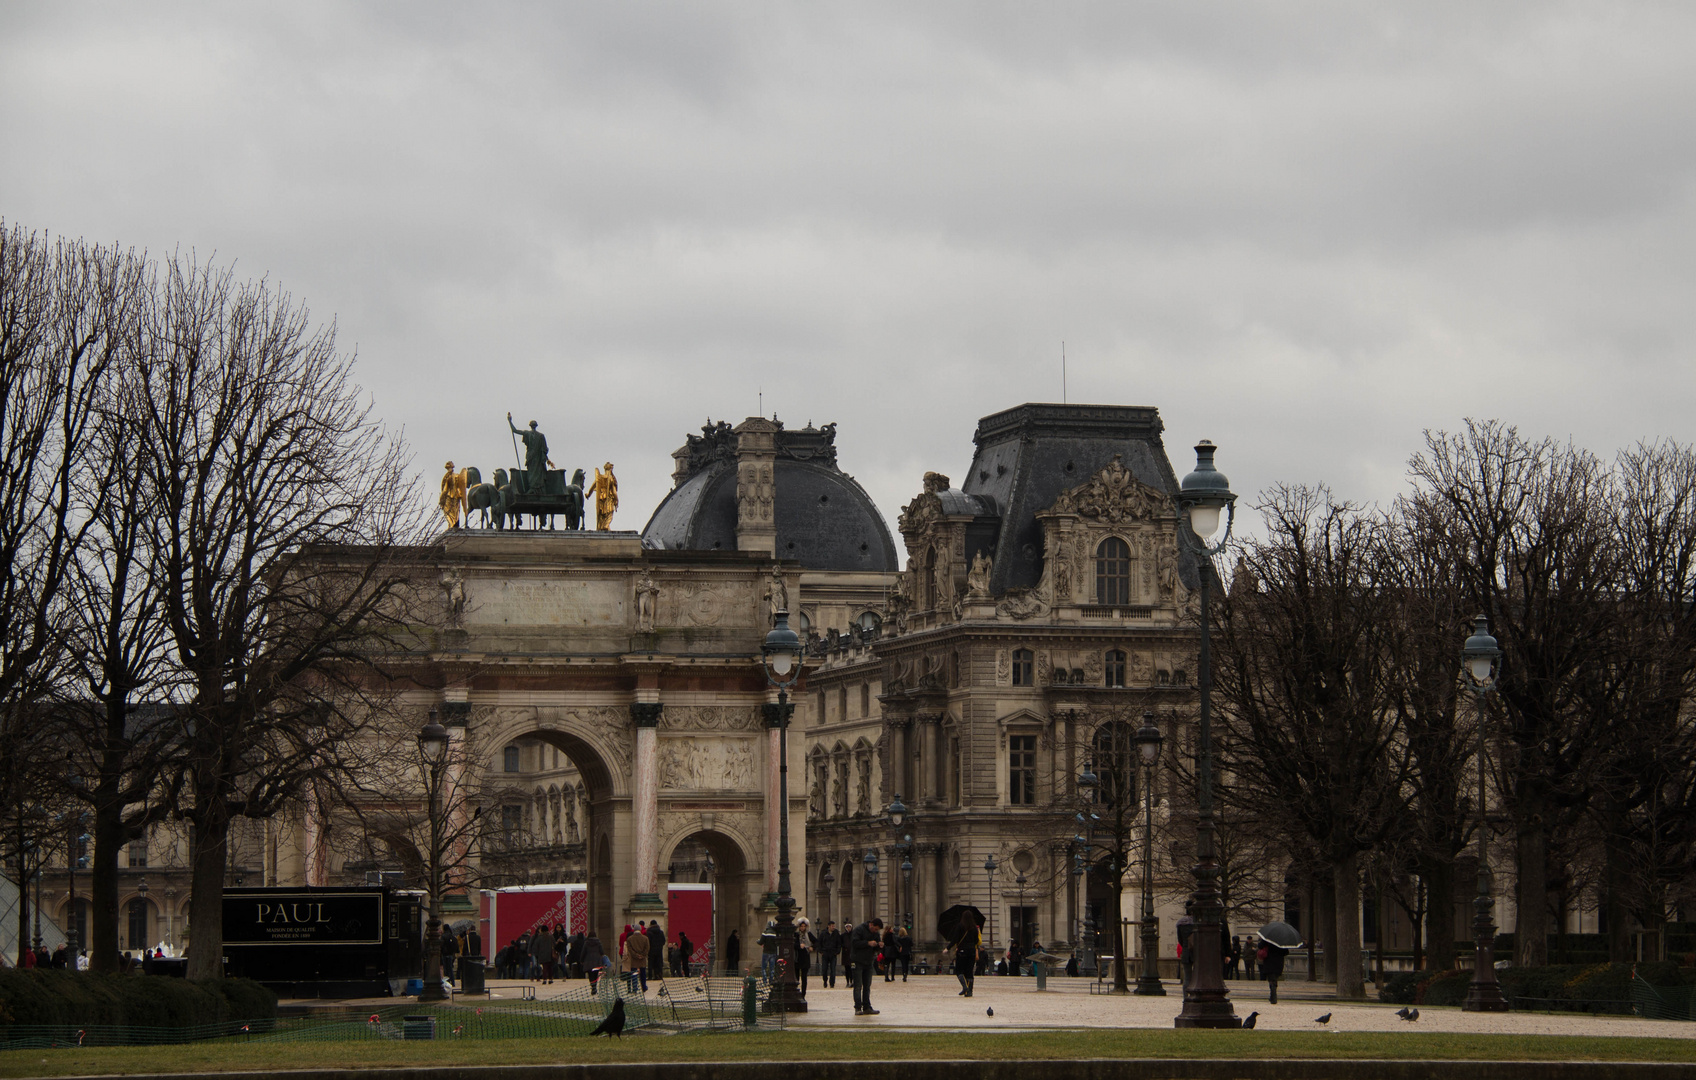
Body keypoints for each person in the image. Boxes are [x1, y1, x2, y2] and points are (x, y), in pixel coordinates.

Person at [848, 918, 883, 1015]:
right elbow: (854, 943)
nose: (876, 931)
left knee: (867, 986)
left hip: (868, 961)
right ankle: (858, 1008)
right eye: (875, 929)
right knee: (858, 985)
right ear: (871, 924)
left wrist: (879, 945)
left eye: (877, 930)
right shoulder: (859, 929)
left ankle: (867, 1007)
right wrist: (867, 943)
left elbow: (875, 946)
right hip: (857, 960)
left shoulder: (875, 934)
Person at [952, 920, 980, 997]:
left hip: (962, 952)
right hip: (971, 952)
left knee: (959, 971)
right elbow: (977, 941)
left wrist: (948, 948)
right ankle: (969, 992)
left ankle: (965, 987)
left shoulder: (960, 926)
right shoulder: (975, 928)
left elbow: (955, 939)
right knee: (969, 972)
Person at [625, 920, 650, 993]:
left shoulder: (630, 939)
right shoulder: (645, 938)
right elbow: (647, 948)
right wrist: (642, 955)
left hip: (634, 959)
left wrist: (636, 955)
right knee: (643, 974)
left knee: (634, 974)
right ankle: (644, 987)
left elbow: (629, 949)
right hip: (642, 959)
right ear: (640, 929)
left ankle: (635, 988)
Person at [1261, 940, 1289, 1004]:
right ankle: (1272, 996)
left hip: (1269, 962)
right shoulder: (1281, 940)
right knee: (1274, 979)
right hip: (1278, 963)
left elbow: (1260, 946)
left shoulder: (1267, 940)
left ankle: (1273, 997)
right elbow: (1286, 952)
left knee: (1271, 980)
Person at [818, 920, 842, 988]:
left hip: (833, 953)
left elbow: (839, 943)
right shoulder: (823, 933)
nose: (833, 927)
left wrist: (837, 952)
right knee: (824, 969)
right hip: (825, 953)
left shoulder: (836, 933)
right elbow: (819, 942)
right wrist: (821, 951)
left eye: (834, 926)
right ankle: (825, 981)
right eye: (832, 926)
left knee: (833, 969)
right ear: (828, 926)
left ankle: (832, 983)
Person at [795, 919, 812, 997]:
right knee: (796, 977)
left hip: (805, 957)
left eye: (804, 926)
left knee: (804, 978)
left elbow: (817, 942)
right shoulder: (796, 935)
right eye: (801, 926)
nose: (802, 928)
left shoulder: (808, 934)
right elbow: (792, 944)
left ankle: (803, 994)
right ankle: (796, 992)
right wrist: (799, 946)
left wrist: (812, 947)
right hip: (797, 958)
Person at [645, 920, 665, 984]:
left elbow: (648, 942)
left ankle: (650, 976)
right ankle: (658, 975)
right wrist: (660, 946)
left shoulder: (649, 932)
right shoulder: (661, 932)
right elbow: (663, 941)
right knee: (658, 963)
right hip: (659, 950)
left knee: (650, 963)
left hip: (651, 950)